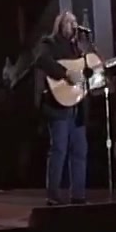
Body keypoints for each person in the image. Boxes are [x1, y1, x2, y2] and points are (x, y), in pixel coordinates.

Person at [35, 11, 94, 205]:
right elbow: (42, 60)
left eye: (75, 22)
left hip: (78, 107)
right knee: (59, 150)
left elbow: (88, 74)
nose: (73, 25)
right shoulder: (49, 43)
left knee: (80, 151)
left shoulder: (79, 48)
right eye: (69, 22)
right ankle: (53, 195)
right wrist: (65, 73)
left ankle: (78, 195)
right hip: (57, 105)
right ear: (60, 25)